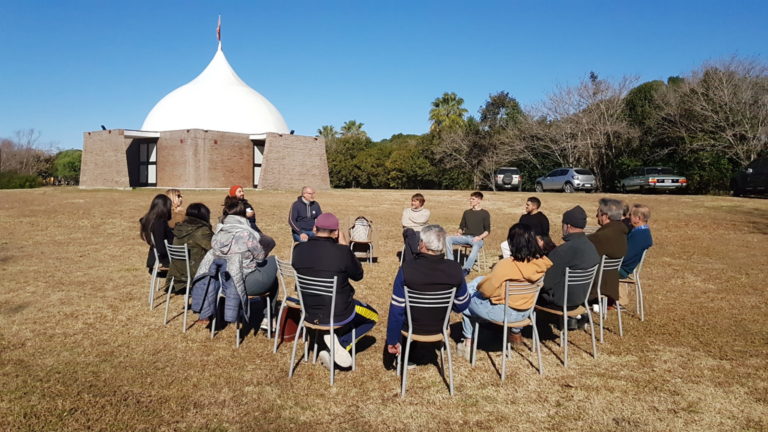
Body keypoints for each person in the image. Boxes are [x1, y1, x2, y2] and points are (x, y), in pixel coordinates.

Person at [291, 213, 378, 370]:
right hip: (337, 312)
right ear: (336, 232)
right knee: (373, 317)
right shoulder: (342, 252)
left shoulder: (298, 250)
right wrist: (345, 247)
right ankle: (342, 344)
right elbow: (358, 276)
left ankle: (329, 337)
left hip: (308, 309)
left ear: (314, 228)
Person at [458, 223, 553, 358]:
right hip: (526, 312)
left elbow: (486, 291)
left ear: (511, 242)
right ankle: (514, 333)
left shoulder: (506, 265)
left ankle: (468, 342)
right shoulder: (541, 264)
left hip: (503, 313)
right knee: (478, 281)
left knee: (466, 301)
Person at [386, 225, 469, 360]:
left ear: (422, 244)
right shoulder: (455, 269)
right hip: (440, 326)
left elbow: (396, 309)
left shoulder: (407, 269)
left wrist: (392, 339)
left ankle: (408, 358)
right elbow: (461, 305)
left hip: (411, 326)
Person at [192, 198, 278, 325]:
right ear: (243, 215)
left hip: (223, 282)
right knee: (273, 268)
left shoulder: (218, 233)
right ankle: (268, 316)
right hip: (244, 281)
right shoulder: (246, 234)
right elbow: (260, 256)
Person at [537, 206, 600, 316]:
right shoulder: (592, 247)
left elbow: (546, 283)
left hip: (560, 300)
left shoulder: (562, 251)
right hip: (582, 298)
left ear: (568, 226)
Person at [587, 198, 628, 304]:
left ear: (605, 216)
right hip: (611, 284)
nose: (597, 216)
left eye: (598, 213)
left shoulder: (603, 236)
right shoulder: (620, 231)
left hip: (596, 286)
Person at [167, 203, 213, 291]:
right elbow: (215, 248)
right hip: (194, 274)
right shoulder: (201, 231)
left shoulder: (180, 228)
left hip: (177, 274)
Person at [445, 191, 491, 275]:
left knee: (476, 245)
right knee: (448, 238)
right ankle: (450, 263)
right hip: (465, 237)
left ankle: (466, 268)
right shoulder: (466, 213)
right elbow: (461, 227)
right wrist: (459, 232)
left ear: (479, 200)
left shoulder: (485, 213)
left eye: (473, 199)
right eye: (470, 199)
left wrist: (479, 237)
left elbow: (487, 231)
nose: (470, 201)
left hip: (477, 238)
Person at [228, 185, 276, 256]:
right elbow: (231, 219)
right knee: (266, 242)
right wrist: (245, 215)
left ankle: (257, 259)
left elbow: (253, 220)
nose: (242, 193)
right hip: (240, 232)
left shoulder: (247, 204)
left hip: (253, 230)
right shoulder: (230, 206)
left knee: (270, 242)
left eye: (242, 191)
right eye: (239, 191)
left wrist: (252, 215)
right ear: (233, 194)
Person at [140, 194, 174, 274]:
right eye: (169, 207)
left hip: (155, 258)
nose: (171, 209)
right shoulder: (160, 223)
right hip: (165, 260)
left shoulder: (149, 221)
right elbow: (161, 247)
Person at [619, 204, 653, 280]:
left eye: (630, 215)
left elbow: (625, 256)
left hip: (621, 269)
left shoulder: (640, 235)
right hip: (621, 267)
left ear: (638, 218)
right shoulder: (642, 231)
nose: (628, 217)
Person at [401, 193, 431, 264]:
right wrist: (418, 224)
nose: (412, 203)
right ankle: (416, 252)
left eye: (414, 201)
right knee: (410, 231)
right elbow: (404, 223)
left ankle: (409, 264)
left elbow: (422, 220)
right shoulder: (406, 211)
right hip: (408, 231)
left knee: (411, 239)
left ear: (420, 202)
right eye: (412, 201)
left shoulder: (426, 212)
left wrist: (410, 219)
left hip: (420, 233)